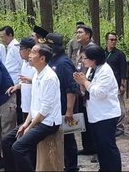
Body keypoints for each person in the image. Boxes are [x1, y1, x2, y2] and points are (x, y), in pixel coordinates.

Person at [2, 44, 62, 171]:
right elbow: (34, 105)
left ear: (42, 59)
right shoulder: (36, 74)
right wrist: (25, 124)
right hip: (36, 119)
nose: (29, 55)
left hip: (47, 122)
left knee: (18, 147)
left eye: (33, 52)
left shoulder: (49, 77)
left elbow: (45, 110)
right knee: (7, 141)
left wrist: (29, 127)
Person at [73, 45, 122, 171]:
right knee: (100, 146)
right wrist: (82, 85)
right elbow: (89, 88)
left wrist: (84, 82)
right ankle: (104, 168)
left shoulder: (105, 70)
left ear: (94, 59)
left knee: (108, 146)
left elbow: (100, 93)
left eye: (85, 58)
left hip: (106, 114)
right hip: (95, 114)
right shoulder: (92, 69)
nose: (82, 61)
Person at [45, 33, 80, 171]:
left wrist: (69, 110)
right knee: (60, 138)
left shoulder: (63, 63)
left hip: (65, 106)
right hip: (56, 106)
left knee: (68, 138)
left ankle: (72, 167)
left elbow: (71, 88)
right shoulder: (52, 61)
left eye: (49, 45)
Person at [71, 24, 97, 156]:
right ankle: (87, 147)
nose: (78, 34)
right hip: (80, 89)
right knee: (83, 119)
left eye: (80, 32)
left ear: (88, 35)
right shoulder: (79, 48)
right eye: (77, 32)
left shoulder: (93, 49)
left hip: (89, 89)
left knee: (90, 119)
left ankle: (94, 147)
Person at [6, 38, 37, 121]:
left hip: (34, 105)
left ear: (29, 50)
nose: (19, 51)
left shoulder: (36, 65)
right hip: (25, 103)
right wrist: (17, 86)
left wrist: (31, 80)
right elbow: (23, 81)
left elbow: (41, 83)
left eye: (21, 49)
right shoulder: (24, 63)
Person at [104, 32, 128, 136]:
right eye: (111, 40)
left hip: (117, 83)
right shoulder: (102, 53)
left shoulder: (120, 54)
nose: (113, 42)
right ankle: (110, 126)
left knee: (119, 106)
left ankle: (119, 127)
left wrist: (123, 84)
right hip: (105, 85)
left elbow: (123, 70)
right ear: (106, 41)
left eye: (115, 40)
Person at [0, 26, 24, 124]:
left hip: (15, 81)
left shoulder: (15, 47)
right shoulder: (9, 47)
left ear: (10, 35)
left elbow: (22, 63)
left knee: (16, 106)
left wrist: (19, 82)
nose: (2, 39)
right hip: (10, 80)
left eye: (3, 36)